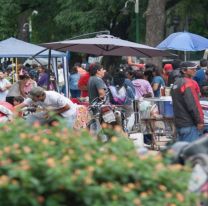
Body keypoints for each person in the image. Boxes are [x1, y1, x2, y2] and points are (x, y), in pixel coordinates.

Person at [171, 61, 204, 142]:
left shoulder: (176, 83)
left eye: (195, 69)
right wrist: (199, 121)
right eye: (192, 69)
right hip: (189, 124)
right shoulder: (188, 83)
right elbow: (192, 104)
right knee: (191, 153)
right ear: (184, 70)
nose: (195, 71)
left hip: (180, 123)